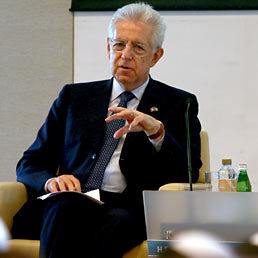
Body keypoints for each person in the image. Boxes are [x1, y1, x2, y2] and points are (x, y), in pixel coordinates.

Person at [12, 2, 202, 258]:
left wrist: (156, 132)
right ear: (108, 47)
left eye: (138, 47)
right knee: (64, 209)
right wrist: (51, 181)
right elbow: (31, 162)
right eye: (119, 44)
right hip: (71, 200)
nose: (125, 55)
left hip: (128, 210)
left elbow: (187, 171)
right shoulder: (74, 97)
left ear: (156, 56)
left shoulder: (179, 104)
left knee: (112, 225)